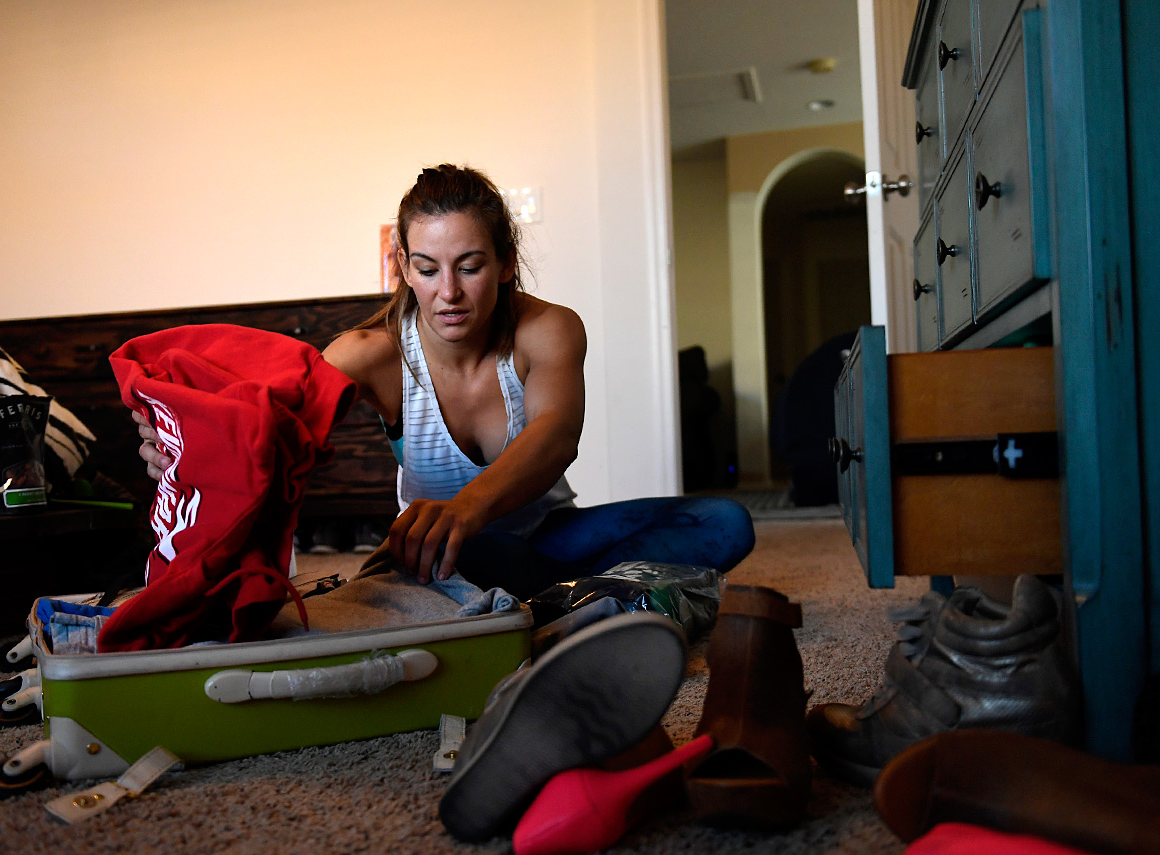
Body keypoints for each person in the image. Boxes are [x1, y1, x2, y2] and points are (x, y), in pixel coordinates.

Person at [136, 164, 754, 598]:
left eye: (470, 266)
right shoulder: (370, 354)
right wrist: (178, 445)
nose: (448, 294)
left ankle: (558, 596)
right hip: (445, 553)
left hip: (545, 535)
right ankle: (592, 597)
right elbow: (265, 423)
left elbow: (558, 435)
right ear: (403, 266)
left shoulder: (549, 330)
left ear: (506, 261)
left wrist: (466, 510)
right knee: (477, 557)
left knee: (726, 524)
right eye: (427, 270)